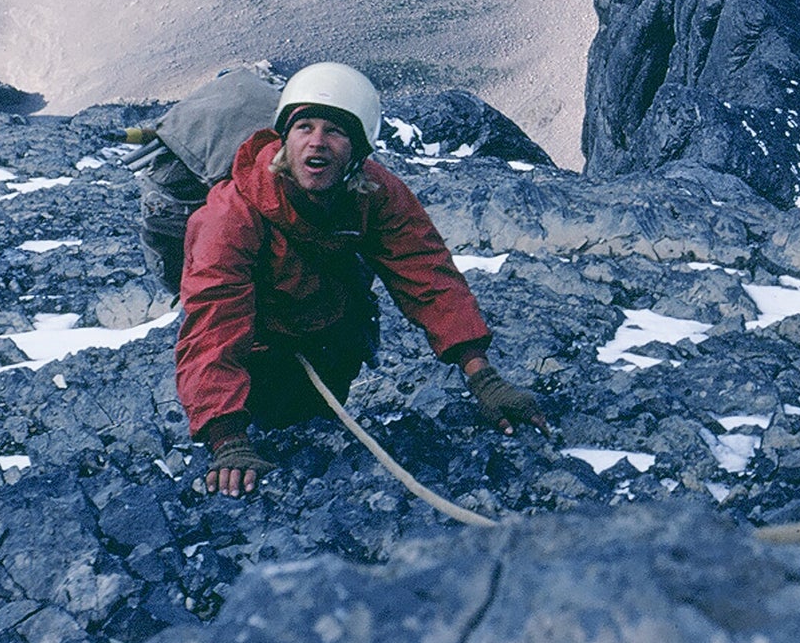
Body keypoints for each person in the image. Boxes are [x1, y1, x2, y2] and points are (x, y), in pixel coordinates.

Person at [175, 62, 547, 496]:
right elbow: (213, 322)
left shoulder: (376, 194)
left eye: (334, 130)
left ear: (358, 150)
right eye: (304, 128)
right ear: (284, 139)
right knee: (277, 422)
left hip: (332, 340)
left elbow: (428, 275)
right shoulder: (231, 215)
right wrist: (227, 439)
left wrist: (482, 376)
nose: (317, 142)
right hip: (259, 351)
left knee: (314, 421)